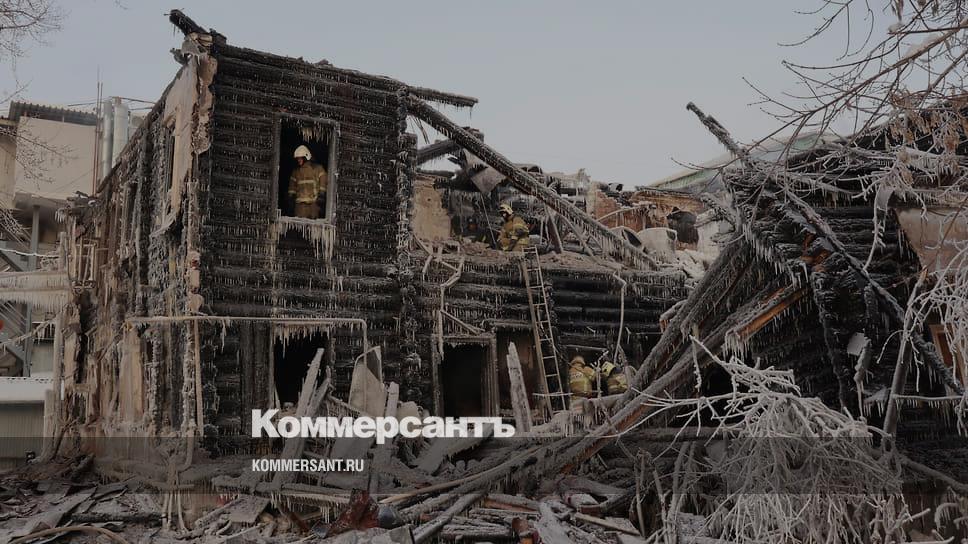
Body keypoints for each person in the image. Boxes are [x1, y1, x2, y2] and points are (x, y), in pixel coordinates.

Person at [288, 145, 328, 219]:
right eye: (297, 158)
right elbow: (292, 188)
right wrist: (291, 199)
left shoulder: (318, 169)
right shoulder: (296, 172)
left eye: (300, 158)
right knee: (299, 225)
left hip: (313, 205)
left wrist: (321, 196)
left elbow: (323, 183)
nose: (298, 160)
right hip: (300, 206)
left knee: (313, 225)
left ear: (306, 157)